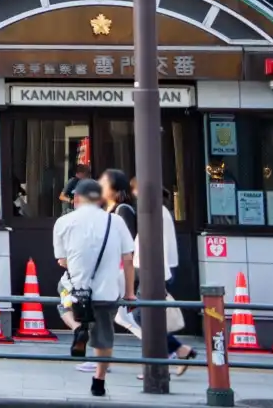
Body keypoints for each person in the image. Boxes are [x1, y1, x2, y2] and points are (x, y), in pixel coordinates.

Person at [101, 170, 194, 374]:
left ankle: (160, 361)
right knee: (136, 317)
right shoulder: (156, 210)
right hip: (151, 270)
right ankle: (177, 351)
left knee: (144, 318)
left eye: (136, 190)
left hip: (153, 271)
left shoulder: (153, 212)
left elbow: (150, 245)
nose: (134, 193)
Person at [53, 178, 135, 398]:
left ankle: (77, 328)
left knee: (63, 304)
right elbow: (128, 258)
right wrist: (130, 293)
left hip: (77, 290)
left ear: (77, 198)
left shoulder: (63, 222)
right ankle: (99, 380)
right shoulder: (115, 222)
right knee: (104, 336)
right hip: (107, 291)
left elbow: (62, 260)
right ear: (100, 199)